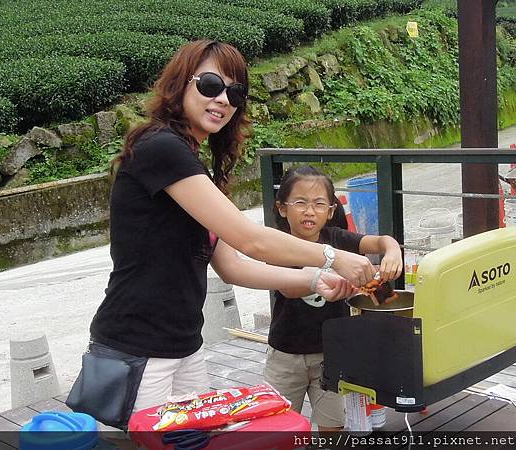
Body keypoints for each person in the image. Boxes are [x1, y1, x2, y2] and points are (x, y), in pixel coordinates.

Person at [87, 40, 376, 415]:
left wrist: (313, 280)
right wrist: (332, 257)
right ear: (180, 84)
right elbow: (251, 239)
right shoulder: (161, 147)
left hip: (185, 346)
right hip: (137, 347)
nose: (222, 98)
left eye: (234, 91)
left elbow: (233, 265)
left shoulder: (190, 164)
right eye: (210, 85)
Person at [264, 165, 403, 431]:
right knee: (277, 430)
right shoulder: (278, 244)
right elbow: (289, 289)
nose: (309, 211)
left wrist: (392, 250)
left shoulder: (336, 238)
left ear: (330, 211)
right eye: (300, 203)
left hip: (332, 354)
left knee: (333, 428)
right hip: (286, 355)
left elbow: (381, 241)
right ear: (282, 208)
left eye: (318, 204)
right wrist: (334, 277)